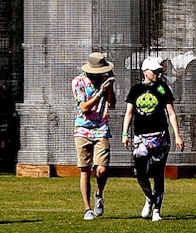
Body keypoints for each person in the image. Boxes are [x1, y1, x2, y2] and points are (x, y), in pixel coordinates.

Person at [122, 57, 181, 222]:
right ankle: (149, 197)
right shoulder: (136, 89)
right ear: (145, 71)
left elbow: (171, 113)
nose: (157, 74)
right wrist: (124, 133)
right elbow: (129, 113)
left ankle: (157, 210)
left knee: (158, 173)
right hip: (140, 137)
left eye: (158, 71)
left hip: (160, 136)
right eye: (154, 71)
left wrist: (177, 134)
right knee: (140, 174)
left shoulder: (162, 88)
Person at [72, 51, 116, 221]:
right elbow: (83, 108)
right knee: (85, 170)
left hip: (101, 128)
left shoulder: (105, 80)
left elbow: (112, 104)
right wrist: (99, 93)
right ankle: (87, 208)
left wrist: (109, 88)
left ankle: (99, 194)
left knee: (102, 168)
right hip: (83, 129)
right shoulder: (79, 82)